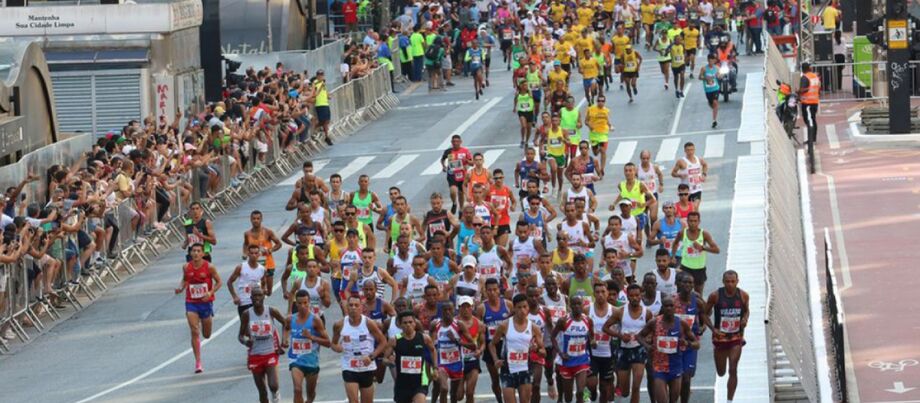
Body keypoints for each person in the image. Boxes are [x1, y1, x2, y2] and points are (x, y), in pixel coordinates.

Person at [637, 296, 699, 403]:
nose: (669, 308)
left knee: (673, 400)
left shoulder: (682, 324)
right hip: (659, 368)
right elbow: (639, 336)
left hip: (676, 367)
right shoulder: (654, 322)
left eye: (671, 306)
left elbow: (697, 344)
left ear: (675, 308)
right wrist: (647, 346)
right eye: (666, 306)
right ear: (662, 307)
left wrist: (687, 343)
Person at [489, 293, 546, 403]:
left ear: (528, 308)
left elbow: (543, 352)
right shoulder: (505, 325)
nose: (522, 310)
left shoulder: (534, 328)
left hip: (525, 370)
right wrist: (495, 360)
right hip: (507, 370)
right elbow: (491, 344)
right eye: (519, 307)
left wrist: (537, 350)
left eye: (525, 307)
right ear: (514, 308)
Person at [174, 243, 222, 373]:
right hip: (191, 302)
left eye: (198, 251)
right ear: (190, 253)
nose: (195, 253)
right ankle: (198, 362)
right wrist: (180, 288)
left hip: (205, 303)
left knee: (206, 335)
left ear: (203, 253)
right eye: (193, 251)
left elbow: (219, 282)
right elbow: (185, 280)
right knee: (195, 331)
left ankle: (208, 318)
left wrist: (210, 293)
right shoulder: (186, 267)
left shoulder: (209, 267)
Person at [331, 296, 389, 403]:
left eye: (356, 305)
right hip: (349, 366)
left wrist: (371, 357)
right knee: (353, 401)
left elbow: (383, 342)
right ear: (347, 307)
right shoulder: (339, 325)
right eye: (351, 305)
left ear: (361, 307)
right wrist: (337, 348)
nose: (353, 308)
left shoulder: (368, 323)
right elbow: (333, 344)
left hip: (366, 367)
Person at [238, 285, 288, 403]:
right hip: (255, 355)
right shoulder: (246, 314)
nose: (257, 298)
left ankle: (276, 395)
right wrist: (246, 342)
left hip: (270, 352)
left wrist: (284, 339)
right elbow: (240, 336)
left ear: (264, 297)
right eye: (254, 296)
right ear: (251, 298)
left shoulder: (271, 311)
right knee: (262, 391)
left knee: (273, 385)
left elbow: (285, 323)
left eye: (259, 295)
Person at [706, 270, 749, 403]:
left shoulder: (743, 295)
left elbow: (747, 310)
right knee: (721, 372)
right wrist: (713, 329)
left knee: (733, 369)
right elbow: (704, 314)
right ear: (723, 282)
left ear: (737, 281)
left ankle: (729, 400)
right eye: (727, 282)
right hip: (720, 338)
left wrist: (745, 319)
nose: (730, 284)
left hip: (736, 337)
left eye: (733, 281)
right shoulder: (715, 296)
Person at [604, 284, 651, 403]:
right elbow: (605, 328)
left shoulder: (647, 313)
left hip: (639, 350)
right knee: (625, 391)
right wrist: (620, 336)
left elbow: (652, 330)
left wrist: (647, 339)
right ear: (627, 297)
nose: (634, 298)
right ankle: (621, 386)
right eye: (631, 295)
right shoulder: (620, 312)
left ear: (641, 296)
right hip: (623, 350)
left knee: (636, 387)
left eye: (637, 295)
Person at [287, 289, 332, 403]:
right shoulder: (291, 319)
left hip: (311, 362)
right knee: (297, 389)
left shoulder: (315, 320)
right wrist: (284, 339)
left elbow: (328, 343)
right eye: (300, 303)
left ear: (309, 303)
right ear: (296, 304)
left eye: (305, 303)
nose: (303, 306)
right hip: (296, 360)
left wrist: (311, 337)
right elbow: (286, 328)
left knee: (310, 395)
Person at [387, 310, 437, 403]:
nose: (408, 325)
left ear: (415, 323)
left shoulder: (424, 338)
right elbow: (384, 359)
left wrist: (435, 368)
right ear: (400, 325)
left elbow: (433, 351)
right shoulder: (395, 340)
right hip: (402, 383)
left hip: (420, 381)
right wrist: (389, 361)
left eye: (410, 322)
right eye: (405, 323)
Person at [432, 301, 476, 403]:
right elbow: (431, 347)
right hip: (441, 363)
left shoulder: (459, 325)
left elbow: (473, 346)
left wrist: (456, 341)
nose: (447, 312)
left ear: (454, 311)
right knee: (444, 388)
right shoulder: (435, 325)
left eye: (449, 309)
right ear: (441, 311)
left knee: (454, 395)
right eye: (445, 310)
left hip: (456, 363)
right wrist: (434, 365)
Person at [552, 295, 593, 403]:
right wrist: (560, 353)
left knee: (580, 392)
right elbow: (553, 337)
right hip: (567, 361)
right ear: (570, 306)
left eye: (579, 304)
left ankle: (583, 398)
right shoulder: (563, 321)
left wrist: (593, 342)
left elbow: (592, 336)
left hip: (581, 360)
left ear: (583, 305)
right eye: (574, 304)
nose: (576, 306)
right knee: (568, 398)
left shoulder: (588, 320)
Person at [478, 277, 512, 403]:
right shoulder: (482, 308)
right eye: (489, 290)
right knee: (495, 379)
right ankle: (499, 400)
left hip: (506, 345)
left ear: (499, 290)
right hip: (490, 346)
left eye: (494, 289)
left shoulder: (508, 304)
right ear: (485, 291)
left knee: (509, 376)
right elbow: (479, 330)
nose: (492, 292)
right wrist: (481, 345)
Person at [670, 211, 719, 294]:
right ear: (687, 221)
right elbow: (675, 243)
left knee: (698, 294)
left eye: (695, 221)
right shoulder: (682, 233)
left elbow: (716, 250)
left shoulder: (704, 234)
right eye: (691, 221)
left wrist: (703, 247)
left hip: (699, 268)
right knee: (682, 292)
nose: (693, 223)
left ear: (699, 222)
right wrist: (673, 256)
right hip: (685, 267)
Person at [243, 210, 283, 296]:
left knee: (268, 292)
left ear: (261, 219)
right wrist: (245, 253)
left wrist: (270, 250)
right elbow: (245, 244)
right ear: (250, 219)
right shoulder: (247, 234)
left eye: (258, 218)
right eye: (254, 218)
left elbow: (279, 244)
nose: (256, 220)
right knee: (256, 292)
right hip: (254, 266)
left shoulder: (268, 232)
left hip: (268, 264)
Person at [587, 282, 615, 403]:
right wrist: (590, 339)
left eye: (603, 292)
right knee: (591, 383)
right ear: (593, 294)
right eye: (597, 292)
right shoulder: (587, 309)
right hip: (591, 353)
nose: (600, 295)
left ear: (607, 293)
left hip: (608, 354)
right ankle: (592, 392)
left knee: (604, 388)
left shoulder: (615, 311)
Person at [229, 244, 268, 316]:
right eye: (252, 253)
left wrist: (264, 290)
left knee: (257, 321)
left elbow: (263, 283)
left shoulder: (262, 269)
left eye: (256, 253)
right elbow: (229, 282)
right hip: (244, 302)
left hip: (257, 302)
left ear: (259, 254)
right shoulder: (241, 267)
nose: (254, 255)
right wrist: (235, 297)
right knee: (245, 322)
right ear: (248, 254)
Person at [441, 135, 474, 215]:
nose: (455, 143)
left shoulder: (465, 151)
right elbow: (442, 159)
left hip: (462, 175)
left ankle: (461, 209)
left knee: (461, 193)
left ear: (460, 142)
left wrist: (466, 161)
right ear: (451, 142)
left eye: (457, 141)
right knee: (453, 191)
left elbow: (472, 163)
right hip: (452, 174)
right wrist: (444, 166)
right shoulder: (448, 151)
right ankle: (454, 203)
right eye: (454, 142)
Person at [670, 142, 708, 210]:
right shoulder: (681, 161)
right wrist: (679, 175)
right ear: (685, 151)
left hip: (697, 189)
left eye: (692, 150)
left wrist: (704, 174)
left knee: (695, 207)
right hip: (685, 191)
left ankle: (696, 216)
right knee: (687, 209)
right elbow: (673, 173)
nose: (690, 152)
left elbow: (705, 165)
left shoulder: (699, 159)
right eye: (688, 150)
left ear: (694, 150)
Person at [585, 96, 612, 167]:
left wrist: (610, 126)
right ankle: (599, 148)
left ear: (604, 102)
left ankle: (602, 168)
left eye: (602, 101)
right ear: (597, 101)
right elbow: (586, 121)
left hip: (603, 134)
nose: (601, 102)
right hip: (594, 134)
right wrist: (589, 126)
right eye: (599, 101)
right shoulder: (591, 109)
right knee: (595, 153)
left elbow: (607, 121)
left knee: (603, 151)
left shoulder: (606, 110)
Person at [799, 62, 820, 145]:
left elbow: (803, 89)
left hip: (807, 103)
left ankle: (811, 140)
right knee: (813, 120)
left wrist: (798, 92)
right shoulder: (814, 76)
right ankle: (813, 138)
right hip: (815, 101)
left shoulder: (805, 77)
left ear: (802, 69)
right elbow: (818, 87)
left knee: (808, 121)